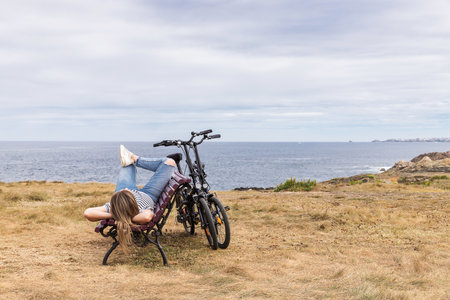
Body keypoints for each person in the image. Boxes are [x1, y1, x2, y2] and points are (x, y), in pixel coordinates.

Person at [84, 145, 176, 252]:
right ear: (131, 201)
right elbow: (147, 216)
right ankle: (136, 159)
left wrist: (117, 215)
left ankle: (131, 159)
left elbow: (88, 213)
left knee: (127, 164)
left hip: (122, 198)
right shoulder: (141, 210)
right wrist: (127, 216)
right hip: (149, 194)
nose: (127, 188)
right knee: (170, 162)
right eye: (126, 190)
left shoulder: (114, 207)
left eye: (125, 190)